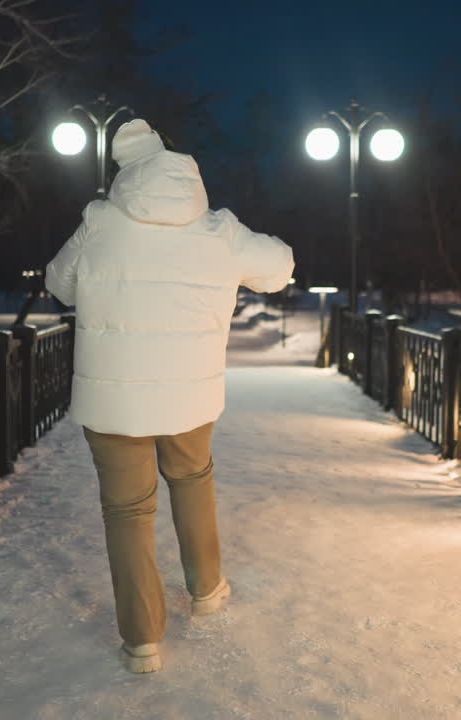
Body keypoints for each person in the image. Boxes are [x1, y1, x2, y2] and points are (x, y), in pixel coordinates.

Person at [44, 118, 294, 673]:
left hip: (112, 403)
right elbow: (279, 269)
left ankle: (142, 642)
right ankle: (206, 589)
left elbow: (58, 283)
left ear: (123, 173)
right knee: (191, 478)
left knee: (128, 512)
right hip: (190, 395)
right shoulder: (217, 230)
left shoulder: (98, 222)